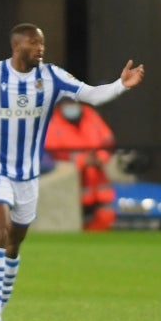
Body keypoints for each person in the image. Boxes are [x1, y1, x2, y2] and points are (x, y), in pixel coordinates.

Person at [0, 23, 144, 321]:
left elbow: (91, 95)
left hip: (28, 176)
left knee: (15, 242)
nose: (40, 48)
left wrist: (120, 85)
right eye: (34, 43)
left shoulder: (51, 77)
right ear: (16, 46)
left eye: (42, 43)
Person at [44, 98, 117, 231]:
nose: (72, 107)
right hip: (71, 185)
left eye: (74, 103)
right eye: (67, 104)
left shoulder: (90, 115)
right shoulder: (53, 121)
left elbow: (108, 140)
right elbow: (52, 149)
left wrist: (101, 157)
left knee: (105, 215)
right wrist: (82, 160)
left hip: (97, 183)